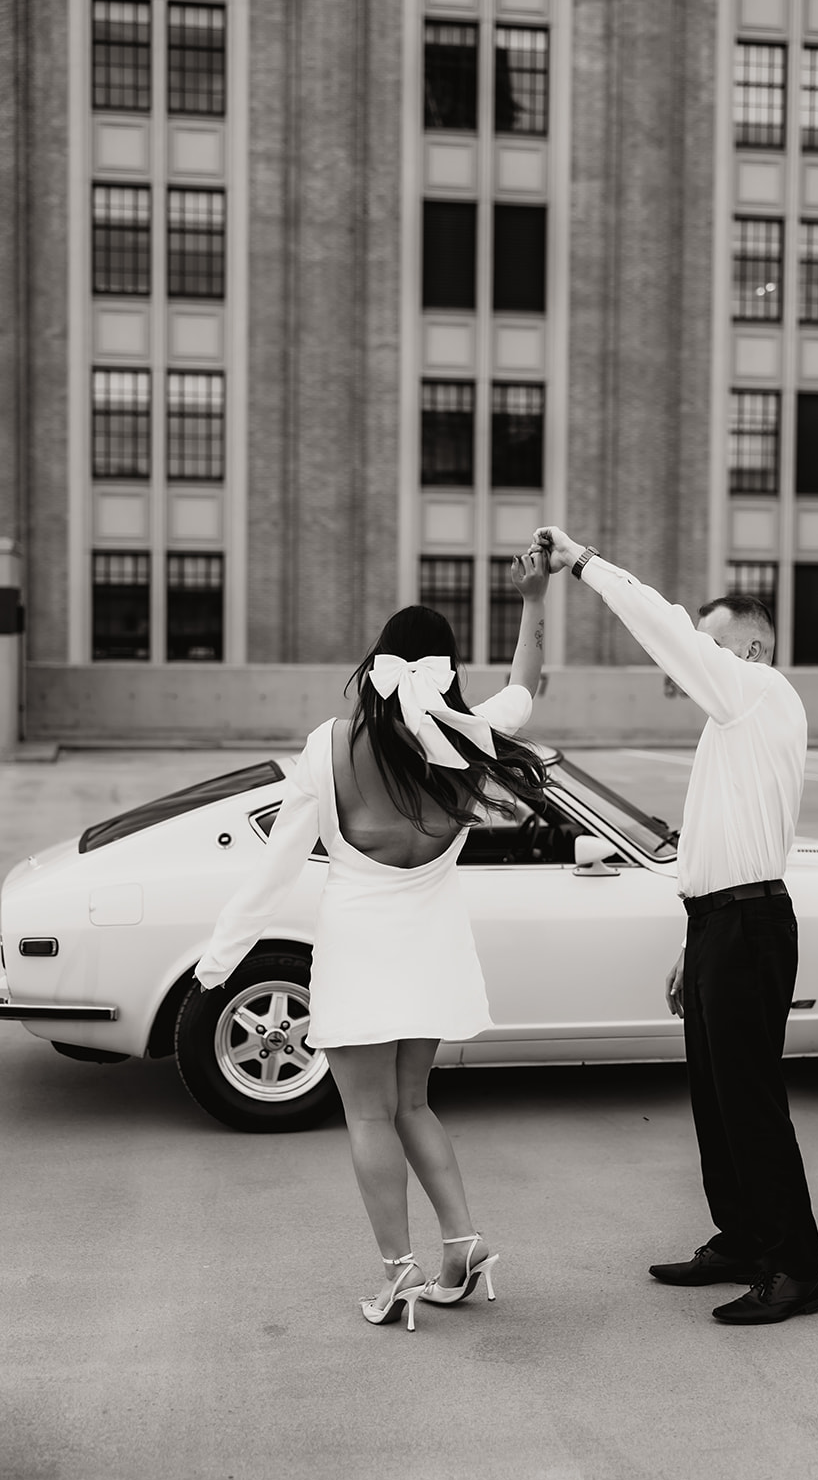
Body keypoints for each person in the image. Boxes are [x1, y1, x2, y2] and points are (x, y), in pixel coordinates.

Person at [195, 553, 551, 1332]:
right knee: (414, 1102)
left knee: (366, 1116)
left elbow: (274, 869)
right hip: (431, 947)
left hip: (359, 947)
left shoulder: (329, 745)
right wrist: (534, 596)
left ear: (379, 661)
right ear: (449, 672)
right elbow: (530, 683)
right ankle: (464, 1244)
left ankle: (398, 1274)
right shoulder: (473, 737)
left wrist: (218, 962)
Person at [533, 526, 818, 1325]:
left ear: (753, 650)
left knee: (750, 1102)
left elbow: (658, 623)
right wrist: (690, 938)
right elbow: (717, 840)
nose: (696, 659)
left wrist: (586, 563)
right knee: (714, 1100)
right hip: (720, 925)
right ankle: (741, 1239)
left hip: (750, 925)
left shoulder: (759, 693)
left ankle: (796, 1270)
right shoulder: (731, 719)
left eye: (714, 646)